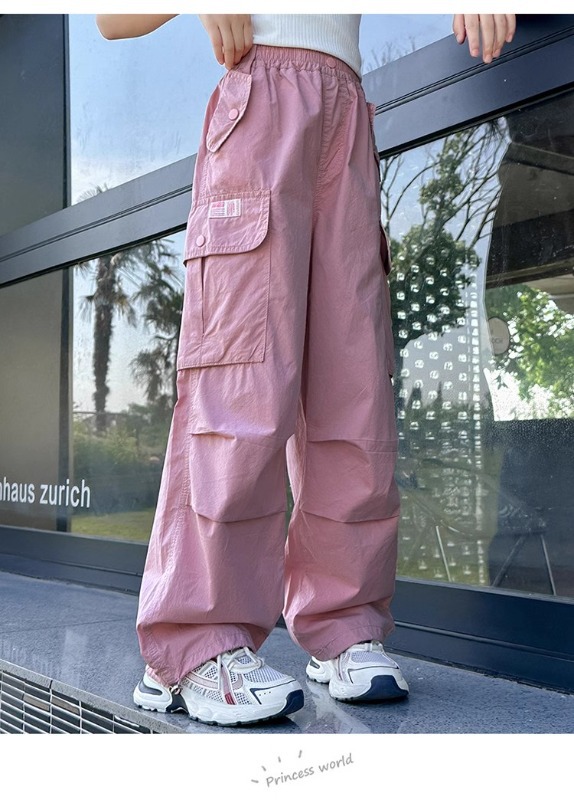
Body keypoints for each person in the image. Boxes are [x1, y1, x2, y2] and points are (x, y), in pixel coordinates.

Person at [96, 13, 517, 727]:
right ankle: (192, 646)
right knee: (241, 388)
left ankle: (342, 625)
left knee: (354, 396)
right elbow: (110, 19)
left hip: (347, 112)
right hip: (261, 97)